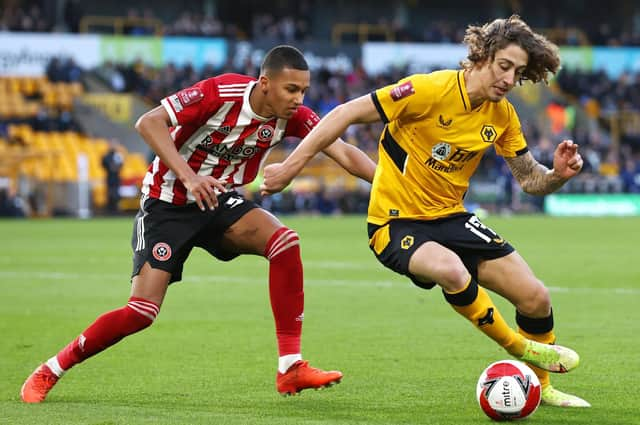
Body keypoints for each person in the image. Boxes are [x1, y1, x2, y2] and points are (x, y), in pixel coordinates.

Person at [261, 16, 590, 408]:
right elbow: (344, 113)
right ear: (481, 56)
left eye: (518, 73)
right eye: (504, 66)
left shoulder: (502, 116)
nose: (508, 78)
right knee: (451, 270)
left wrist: (558, 175)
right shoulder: (428, 89)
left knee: (536, 297)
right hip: (395, 222)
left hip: (451, 217)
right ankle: (521, 348)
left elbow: (530, 180)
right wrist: (291, 166)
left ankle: (543, 388)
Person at [21, 45, 377, 402]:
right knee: (141, 312)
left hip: (217, 201)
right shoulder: (220, 93)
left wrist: (392, 187)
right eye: (291, 90)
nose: (299, 99)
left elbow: (344, 151)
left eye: (303, 90)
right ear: (265, 83)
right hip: (168, 203)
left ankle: (290, 367)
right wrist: (190, 177)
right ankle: (51, 368)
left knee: (284, 241)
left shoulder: (294, 117)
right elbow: (148, 122)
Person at [101, 139, 124, 214]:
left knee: (116, 193)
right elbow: (103, 164)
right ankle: (109, 210)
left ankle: (115, 209)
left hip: (116, 178)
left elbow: (121, 165)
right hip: (110, 178)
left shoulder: (118, 155)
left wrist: (116, 167)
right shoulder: (106, 156)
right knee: (110, 193)